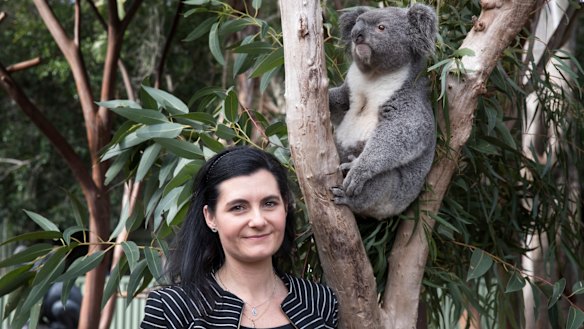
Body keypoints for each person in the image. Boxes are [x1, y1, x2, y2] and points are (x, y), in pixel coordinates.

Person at [140, 145, 339, 329]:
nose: (258, 221)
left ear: (285, 207)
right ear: (211, 217)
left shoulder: (319, 302)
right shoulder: (173, 309)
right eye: (238, 207)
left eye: (269, 203)